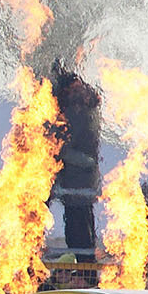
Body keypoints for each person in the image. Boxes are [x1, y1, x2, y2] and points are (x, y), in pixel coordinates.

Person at [51, 68, 102, 259]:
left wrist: (61, 152)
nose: (74, 92)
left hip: (79, 180)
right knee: (76, 229)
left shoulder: (82, 114)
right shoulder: (75, 112)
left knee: (80, 231)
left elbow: (81, 152)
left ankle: (84, 273)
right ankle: (82, 271)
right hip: (72, 180)